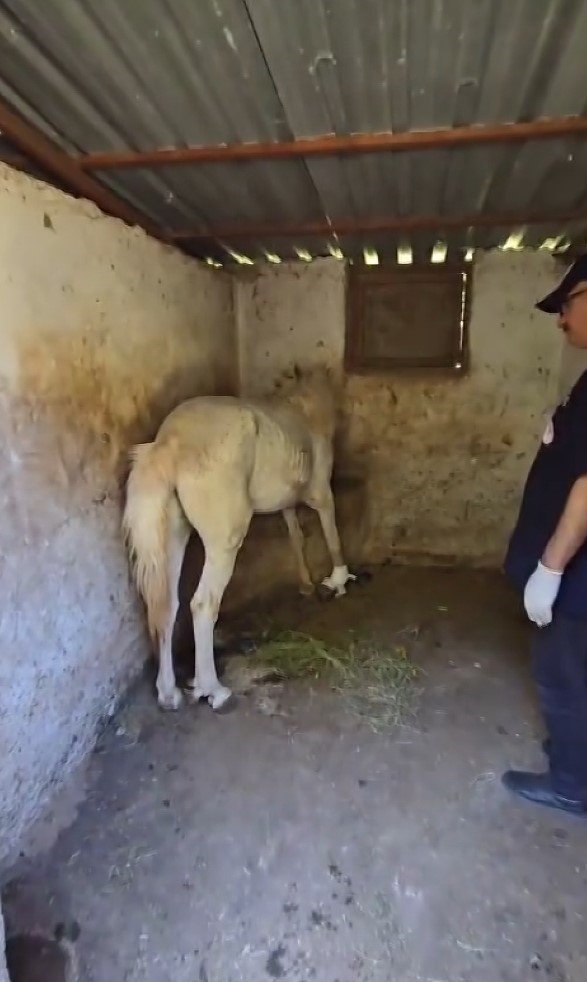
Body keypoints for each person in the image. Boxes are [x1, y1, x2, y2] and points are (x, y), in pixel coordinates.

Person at [503, 254, 587, 815]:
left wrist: (551, 568)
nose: (561, 320)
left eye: (567, 305)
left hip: (579, 580)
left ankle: (572, 784)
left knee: (562, 673)